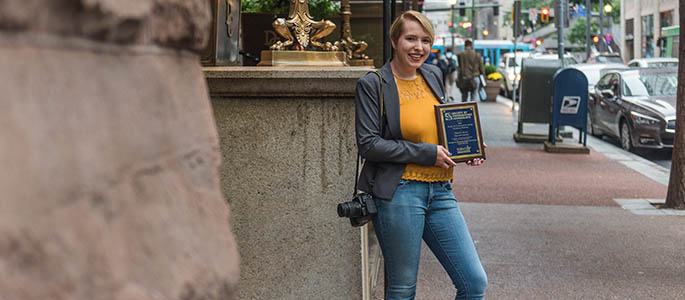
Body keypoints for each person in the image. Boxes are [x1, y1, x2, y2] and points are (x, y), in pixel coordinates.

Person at [354, 10, 488, 300]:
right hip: (400, 192)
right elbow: (368, 144)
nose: (419, 47)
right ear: (394, 40)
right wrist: (427, 153)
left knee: (474, 282)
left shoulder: (432, 74)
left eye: (426, 40)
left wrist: (468, 146)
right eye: (411, 39)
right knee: (403, 288)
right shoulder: (373, 84)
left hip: (441, 191)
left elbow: (438, 124)